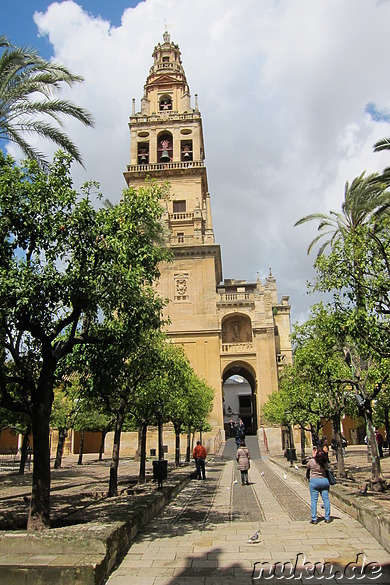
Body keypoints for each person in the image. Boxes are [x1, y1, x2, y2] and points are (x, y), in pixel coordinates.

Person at [306, 448, 331, 524]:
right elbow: (327, 468)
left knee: (314, 500)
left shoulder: (312, 461)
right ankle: (327, 518)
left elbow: (307, 466)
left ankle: (314, 519)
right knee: (326, 500)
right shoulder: (325, 462)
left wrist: (313, 457)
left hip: (314, 481)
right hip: (324, 481)